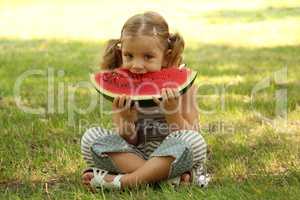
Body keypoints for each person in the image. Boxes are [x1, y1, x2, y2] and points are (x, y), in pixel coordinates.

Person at [81, 11, 209, 191]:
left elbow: (191, 132)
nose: (137, 65)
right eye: (129, 56)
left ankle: (123, 182)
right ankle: (165, 179)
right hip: (137, 155)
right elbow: (128, 140)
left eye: (148, 57)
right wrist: (127, 120)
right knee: (90, 138)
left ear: (166, 55)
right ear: (121, 52)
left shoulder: (184, 88)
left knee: (194, 141)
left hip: (174, 153)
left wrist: (172, 113)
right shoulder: (123, 88)